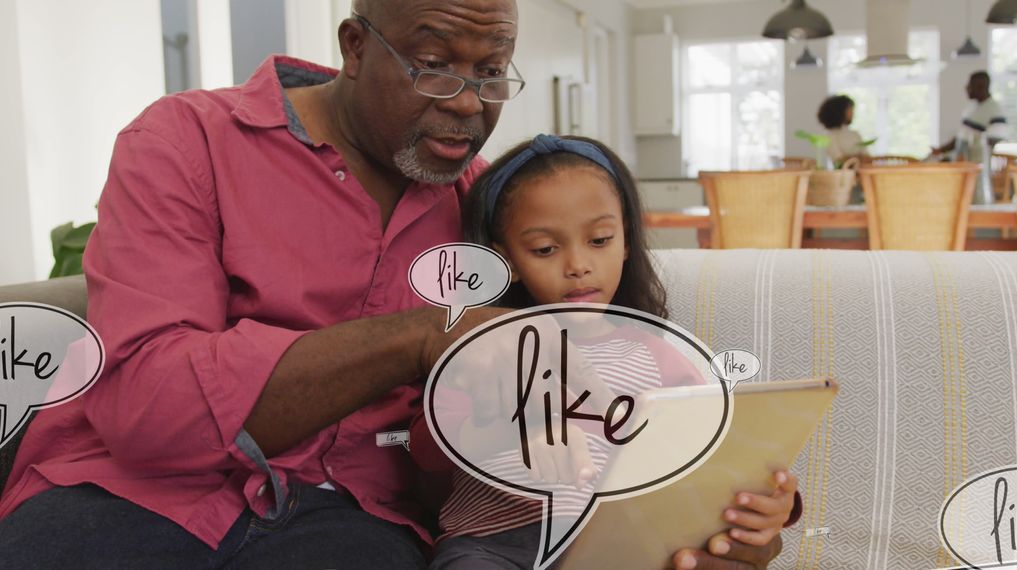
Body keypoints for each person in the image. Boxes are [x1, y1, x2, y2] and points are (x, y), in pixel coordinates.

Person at [0, 2, 789, 568]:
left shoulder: (493, 209)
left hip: (354, 524)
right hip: (127, 498)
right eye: (434, 63)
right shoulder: (186, 140)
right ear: (355, 45)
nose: (470, 105)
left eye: (490, 71)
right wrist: (416, 337)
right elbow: (151, 408)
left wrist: (690, 520)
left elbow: (524, 428)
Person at [409, 135, 801, 570]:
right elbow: (427, 450)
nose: (578, 264)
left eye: (599, 240)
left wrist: (773, 498)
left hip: (618, 546)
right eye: (545, 249)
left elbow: (716, 448)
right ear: (510, 262)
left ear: (626, 242)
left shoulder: (656, 355)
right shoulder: (489, 350)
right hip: (495, 545)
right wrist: (509, 427)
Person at [932, 71, 1008, 163]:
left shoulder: (995, 111)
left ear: (981, 87)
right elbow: (961, 136)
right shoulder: (972, 108)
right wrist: (941, 151)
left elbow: (993, 143)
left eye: (970, 85)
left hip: (977, 166)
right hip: (962, 162)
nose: (966, 88)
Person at [817, 95, 868, 164]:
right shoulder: (830, 135)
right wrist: (859, 158)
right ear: (839, 111)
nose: (852, 113)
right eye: (849, 109)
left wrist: (853, 158)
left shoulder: (855, 134)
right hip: (843, 173)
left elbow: (867, 157)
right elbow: (839, 160)